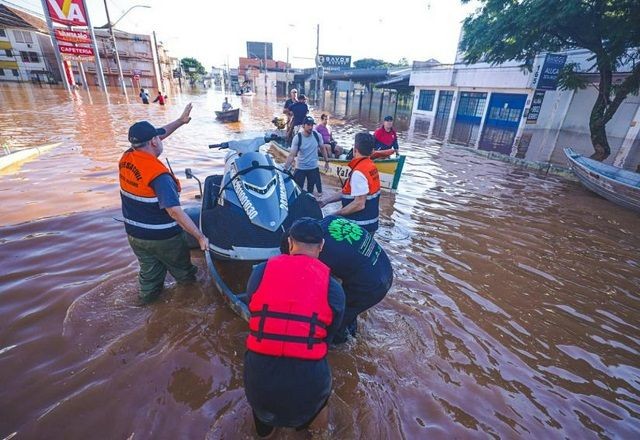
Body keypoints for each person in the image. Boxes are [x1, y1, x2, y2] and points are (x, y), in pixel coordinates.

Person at [243, 218, 345, 438]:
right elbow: (329, 336)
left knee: (263, 424)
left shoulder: (260, 271)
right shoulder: (333, 287)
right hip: (307, 379)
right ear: (321, 246)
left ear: (290, 243)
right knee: (319, 417)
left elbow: (254, 310)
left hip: (260, 375)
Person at [118, 103, 209, 304]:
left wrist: (180, 122)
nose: (161, 139)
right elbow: (175, 212)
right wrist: (200, 237)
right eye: (158, 138)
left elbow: (160, 134)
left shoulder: (128, 157)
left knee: (150, 278)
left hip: (135, 235)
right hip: (163, 238)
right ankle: (189, 304)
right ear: (153, 142)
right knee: (186, 276)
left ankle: (145, 304)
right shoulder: (159, 176)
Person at [281, 215, 393, 344]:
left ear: (291, 245)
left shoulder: (323, 254)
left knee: (335, 322)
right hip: (383, 267)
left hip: (373, 286)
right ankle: (351, 330)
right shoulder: (330, 220)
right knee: (348, 308)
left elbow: (313, 287)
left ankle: (343, 349)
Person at [320, 132, 381, 233]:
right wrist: (325, 201)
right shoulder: (370, 165)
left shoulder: (358, 172)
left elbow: (359, 204)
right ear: (371, 151)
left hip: (360, 226)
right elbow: (347, 192)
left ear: (355, 150)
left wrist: (334, 215)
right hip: (371, 223)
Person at [284, 116, 329, 196]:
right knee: (297, 192)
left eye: (312, 125)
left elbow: (322, 148)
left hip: (313, 168)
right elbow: (292, 155)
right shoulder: (298, 138)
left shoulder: (317, 136)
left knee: (314, 193)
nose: (310, 127)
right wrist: (285, 168)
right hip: (301, 168)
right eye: (308, 125)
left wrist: (326, 161)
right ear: (303, 126)